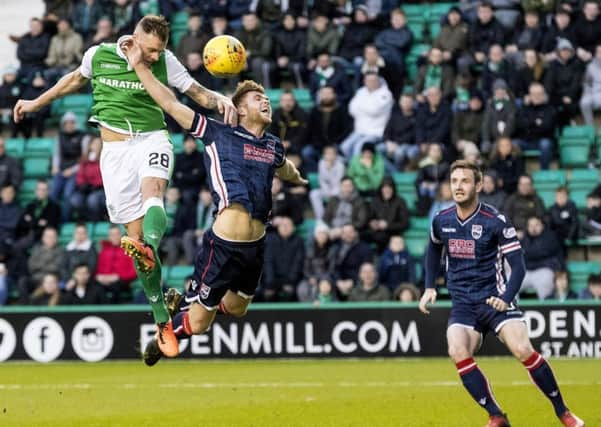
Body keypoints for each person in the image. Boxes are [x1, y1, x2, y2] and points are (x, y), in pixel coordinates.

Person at [13, 15, 236, 358]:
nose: (153, 56)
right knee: (139, 242)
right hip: (114, 153)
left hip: (152, 139)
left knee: (154, 196)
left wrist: (220, 99)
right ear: (134, 38)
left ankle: (151, 245)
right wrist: (34, 103)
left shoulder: (166, 62)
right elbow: (72, 80)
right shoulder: (98, 55)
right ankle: (162, 319)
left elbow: (195, 92)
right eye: (149, 50)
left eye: (159, 51)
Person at [123, 40, 306, 364]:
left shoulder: (273, 145)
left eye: (266, 98)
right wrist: (139, 67)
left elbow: (285, 167)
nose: (265, 101)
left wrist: (297, 178)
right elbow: (170, 103)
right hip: (223, 244)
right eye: (256, 98)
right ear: (241, 109)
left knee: (237, 309)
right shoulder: (217, 133)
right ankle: (172, 324)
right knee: (200, 324)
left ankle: (187, 305)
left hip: (256, 245)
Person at [419, 160, 584, 427]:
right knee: (457, 350)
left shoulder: (495, 221)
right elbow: (433, 249)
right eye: (454, 181)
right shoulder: (442, 219)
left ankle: (562, 411)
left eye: (465, 181)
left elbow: (518, 267)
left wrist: (505, 298)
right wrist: (429, 286)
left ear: (479, 185)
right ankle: (496, 415)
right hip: (463, 303)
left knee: (522, 348)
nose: (458, 186)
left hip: (495, 298)